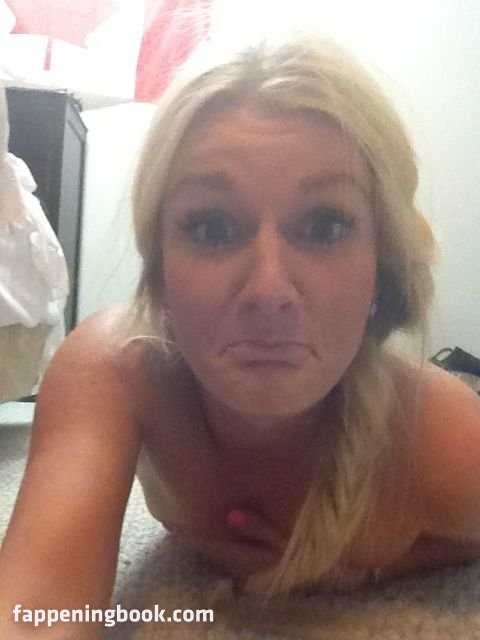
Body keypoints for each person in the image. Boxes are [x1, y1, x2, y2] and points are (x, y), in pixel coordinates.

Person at [1, 33, 480, 638]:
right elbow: (36, 614)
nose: (268, 290)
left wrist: (378, 566)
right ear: (160, 272)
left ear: (380, 269)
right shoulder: (117, 367)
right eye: (212, 227)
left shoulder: (439, 435)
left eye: (325, 225)